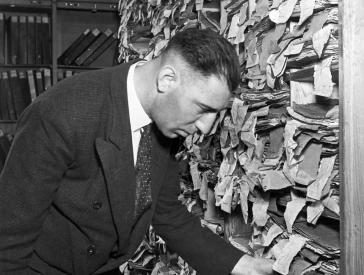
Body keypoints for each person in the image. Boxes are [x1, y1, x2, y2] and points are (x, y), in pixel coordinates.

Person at [0, 28, 273, 275]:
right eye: (203, 109)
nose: (205, 126)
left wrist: (243, 265)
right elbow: (8, 240)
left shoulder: (169, 121)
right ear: (167, 79)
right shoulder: (61, 112)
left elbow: (165, 213)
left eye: (216, 113)